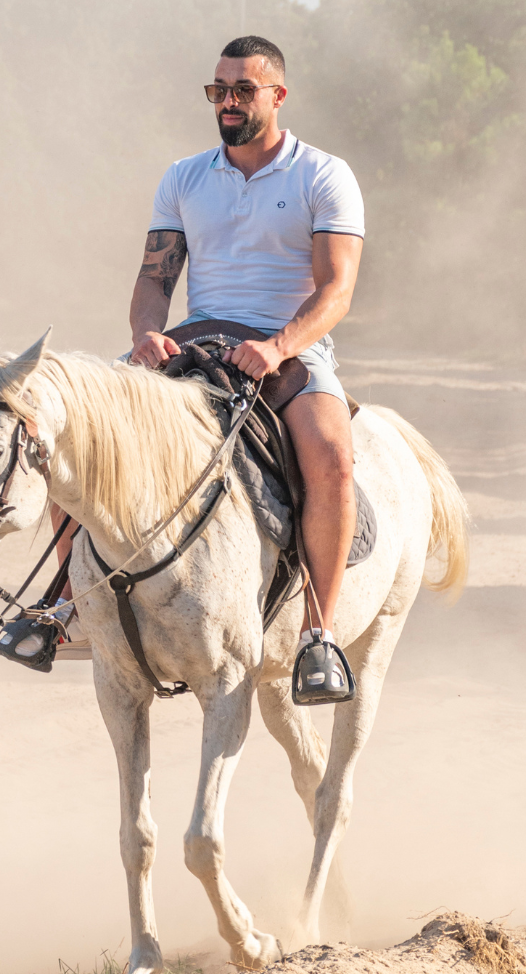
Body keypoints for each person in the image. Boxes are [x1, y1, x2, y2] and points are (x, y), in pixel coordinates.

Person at [127, 35, 363, 703]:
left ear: (277, 96)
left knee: (331, 457)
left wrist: (280, 344)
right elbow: (153, 279)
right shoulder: (184, 176)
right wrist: (146, 334)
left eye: (242, 91)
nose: (227, 102)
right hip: (196, 339)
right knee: (74, 422)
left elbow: (336, 290)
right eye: (217, 91)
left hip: (288, 349)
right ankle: (60, 609)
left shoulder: (322, 174)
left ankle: (319, 635)